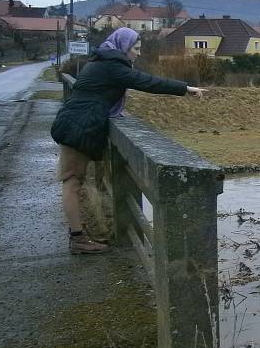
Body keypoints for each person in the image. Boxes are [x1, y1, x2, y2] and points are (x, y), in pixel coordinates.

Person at [51, 27, 206, 254]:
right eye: (135, 48)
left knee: (72, 182)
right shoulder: (113, 65)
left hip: (75, 122)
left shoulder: (101, 61)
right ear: (123, 47)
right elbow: (147, 82)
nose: (138, 53)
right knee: (72, 183)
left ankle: (79, 235)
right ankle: (78, 239)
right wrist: (185, 88)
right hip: (78, 127)